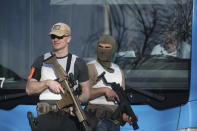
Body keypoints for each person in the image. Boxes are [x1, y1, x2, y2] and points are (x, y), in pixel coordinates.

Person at [26, 22, 90, 131]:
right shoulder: (41, 60)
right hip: (46, 117)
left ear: (68, 39)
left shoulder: (78, 63)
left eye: (60, 36)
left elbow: (86, 92)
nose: (56, 39)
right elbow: (29, 89)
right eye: (53, 36)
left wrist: (77, 103)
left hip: (69, 117)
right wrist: (48, 83)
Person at [85, 35, 133, 131]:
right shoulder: (90, 67)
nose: (103, 50)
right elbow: (82, 95)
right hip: (96, 121)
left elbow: (121, 100)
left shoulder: (118, 70)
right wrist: (104, 90)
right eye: (101, 47)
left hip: (114, 122)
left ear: (113, 49)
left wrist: (125, 115)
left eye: (107, 47)